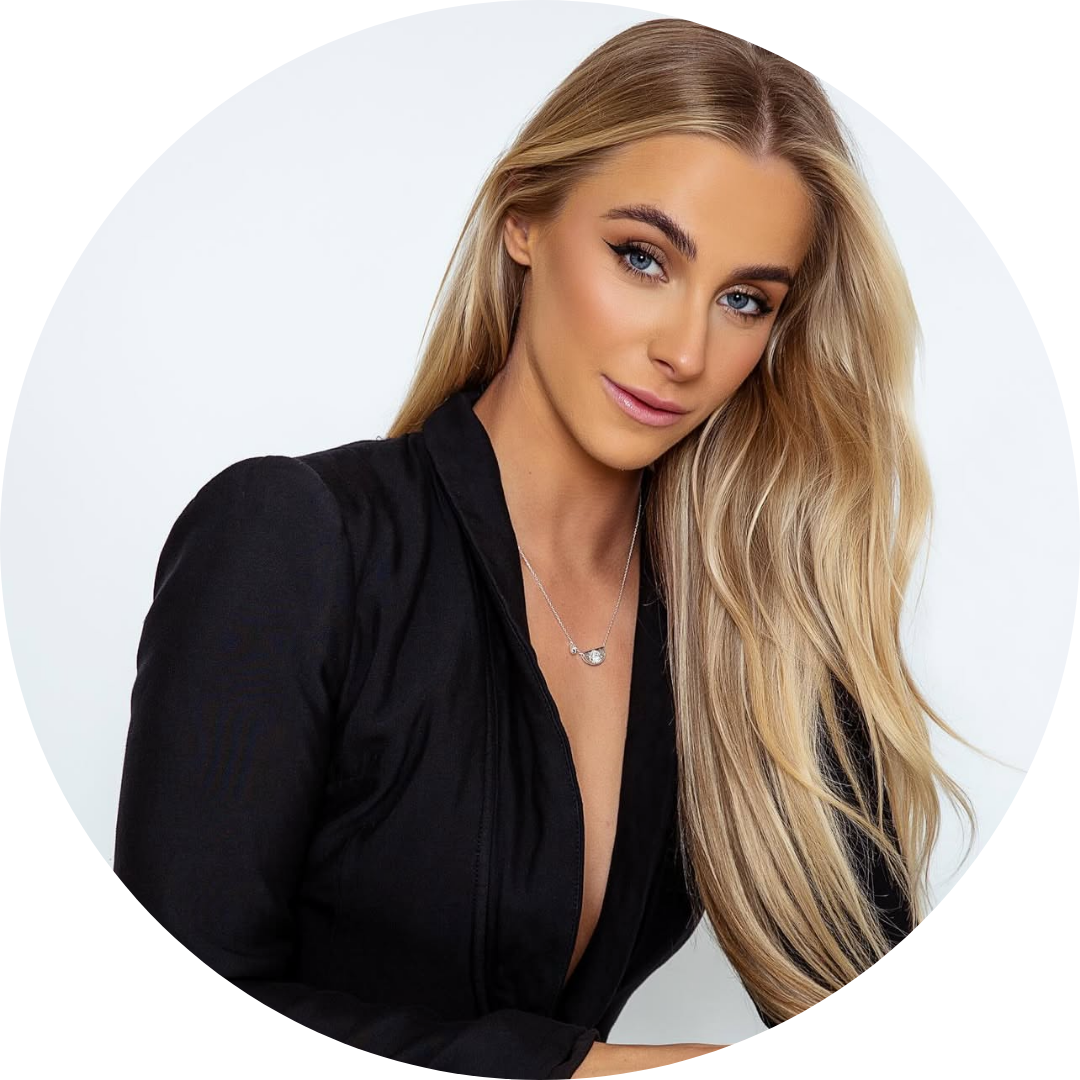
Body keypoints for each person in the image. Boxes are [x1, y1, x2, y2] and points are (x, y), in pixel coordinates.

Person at [113, 17, 976, 1080]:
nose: (685, 350)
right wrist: (591, 1068)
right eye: (642, 258)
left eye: (744, 300)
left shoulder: (752, 624)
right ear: (524, 218)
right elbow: (170, 1021)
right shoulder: (296, 540)